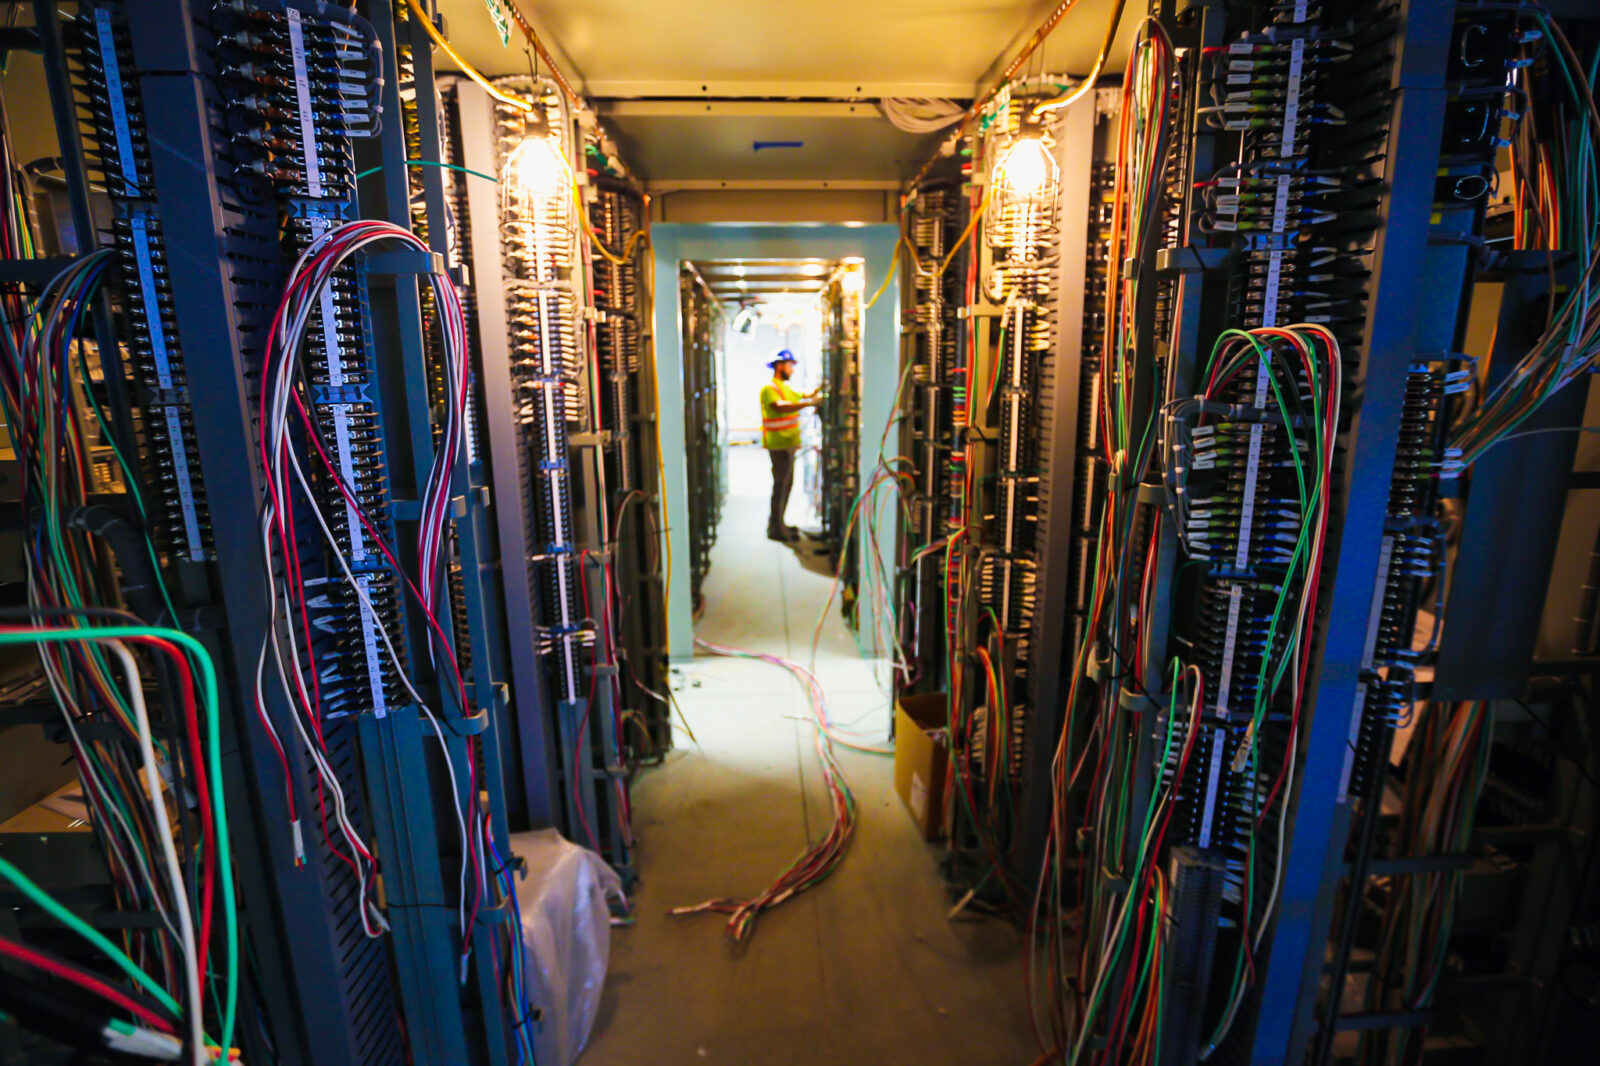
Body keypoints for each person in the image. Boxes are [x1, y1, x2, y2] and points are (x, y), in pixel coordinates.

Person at [759, 350, 822, 542]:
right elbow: (780, 406)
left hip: (788, 445)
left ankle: (780, 523)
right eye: (790, 365)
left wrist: (822, 387)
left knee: (786, 485)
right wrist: (808, 403)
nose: (792, 369)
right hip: (779, 446)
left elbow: (805, 395)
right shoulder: (769, 389)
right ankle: (775, 528)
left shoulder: (785, 387)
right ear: (779, 365)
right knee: (781, 486)